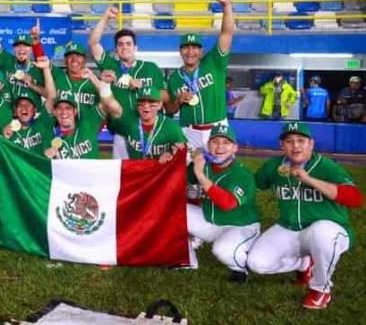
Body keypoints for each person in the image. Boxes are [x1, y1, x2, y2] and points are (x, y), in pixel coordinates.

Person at [247, 122, 363, 309]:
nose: (295, 146)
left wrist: (310, 180)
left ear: (311, 143)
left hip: (332, 230)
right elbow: (251, 187)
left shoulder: (327, 167)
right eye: (289, 141)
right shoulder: (274, 166)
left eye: (301, 141)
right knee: (257, 263)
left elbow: (355, 199)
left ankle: (320, 289)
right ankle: (303, 263)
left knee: (321, 232)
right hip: (290, 228)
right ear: (281, 145)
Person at [89, 6, 168, 159]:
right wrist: (105, 17)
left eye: (128, 44)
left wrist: (144, 87)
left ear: (135, 47)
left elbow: (165, 96)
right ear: (116, 49)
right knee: (122, 178)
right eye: (120, 44)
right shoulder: (110, 65)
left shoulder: (150, 68)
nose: (124, 47)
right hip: (121, 134)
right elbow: (93, 43)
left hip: (149, 133)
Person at [186, 125, 260, 283]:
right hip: (210, 221)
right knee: (171, 211)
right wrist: (174, 156)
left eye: (226, 142)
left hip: (240, 226)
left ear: (235, 148)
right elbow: (178, 178)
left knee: (222, 250)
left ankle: (241, 266)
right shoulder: (203, 165)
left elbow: (227, 203)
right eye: (215, 141)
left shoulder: (242, 174)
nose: (219, 146)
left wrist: (200, 175)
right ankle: (186, 259)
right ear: (208, 146)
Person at [165, 0, 234, 152]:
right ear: (180, 51)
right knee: (187, 171)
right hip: (189, 131)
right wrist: (178, 101)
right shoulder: (174, 78)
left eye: (195, 48)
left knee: (217, 168)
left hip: (217, 128)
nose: (190, 52)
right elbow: (169, 110)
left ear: (201, 51)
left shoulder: (213, 62)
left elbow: (227, 33)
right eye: (186, 48)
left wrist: (226, 6)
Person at [118, 86, 186, 161]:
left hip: (161, 171)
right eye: (142, 102)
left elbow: (184, 152)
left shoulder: (172, 127)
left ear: (160, 105)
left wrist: (172, 154)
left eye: (151, 102)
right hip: (135, 170)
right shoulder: (128, 122)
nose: (146, 107)